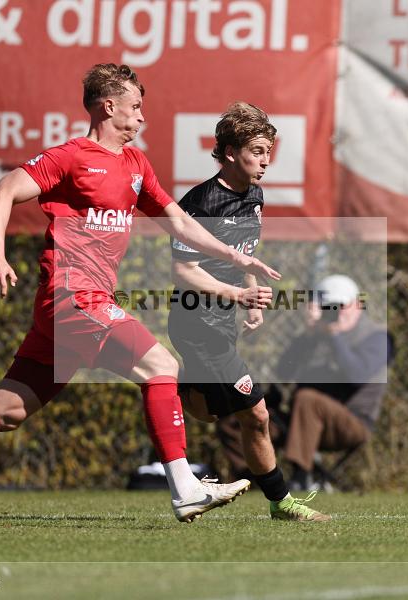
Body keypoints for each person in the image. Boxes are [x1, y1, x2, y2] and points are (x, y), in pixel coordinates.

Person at [0, 63, 281, 523]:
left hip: (77, 308)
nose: (142, 116)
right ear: (109, 106)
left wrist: (238, 259)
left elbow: (182, 223)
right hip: (71, 296)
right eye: (135, 107)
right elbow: (4, 191)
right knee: (162, 366)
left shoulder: (136, 164)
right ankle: (185, 488)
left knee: (6, 410)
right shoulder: (72, 157)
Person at [168, 102, 330, 522]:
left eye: (268, 151)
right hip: (196, 321)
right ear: (228, 152)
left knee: (207, 412)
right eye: (257, 151)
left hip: (223, 322)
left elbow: (245, 256)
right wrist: (234, 295)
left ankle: (168, 384)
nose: (266, 161)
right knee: (255, 413)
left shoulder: (254, 196)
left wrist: (252, 294)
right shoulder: (203, 201)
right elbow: (183, 271)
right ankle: (282, 502)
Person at [276, 274, 392, 491]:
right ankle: (247, 479)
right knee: (245, 406)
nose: (335, 312)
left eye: (341, 306)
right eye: (328, 307)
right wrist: (308, 336)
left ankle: (301, 478)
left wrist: (335, 336)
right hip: (301, 420)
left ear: (358, 304)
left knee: (307, 399)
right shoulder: (314, 336)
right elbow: (283, 371)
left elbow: (356, 375)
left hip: (352, 423)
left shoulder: (377, 337)